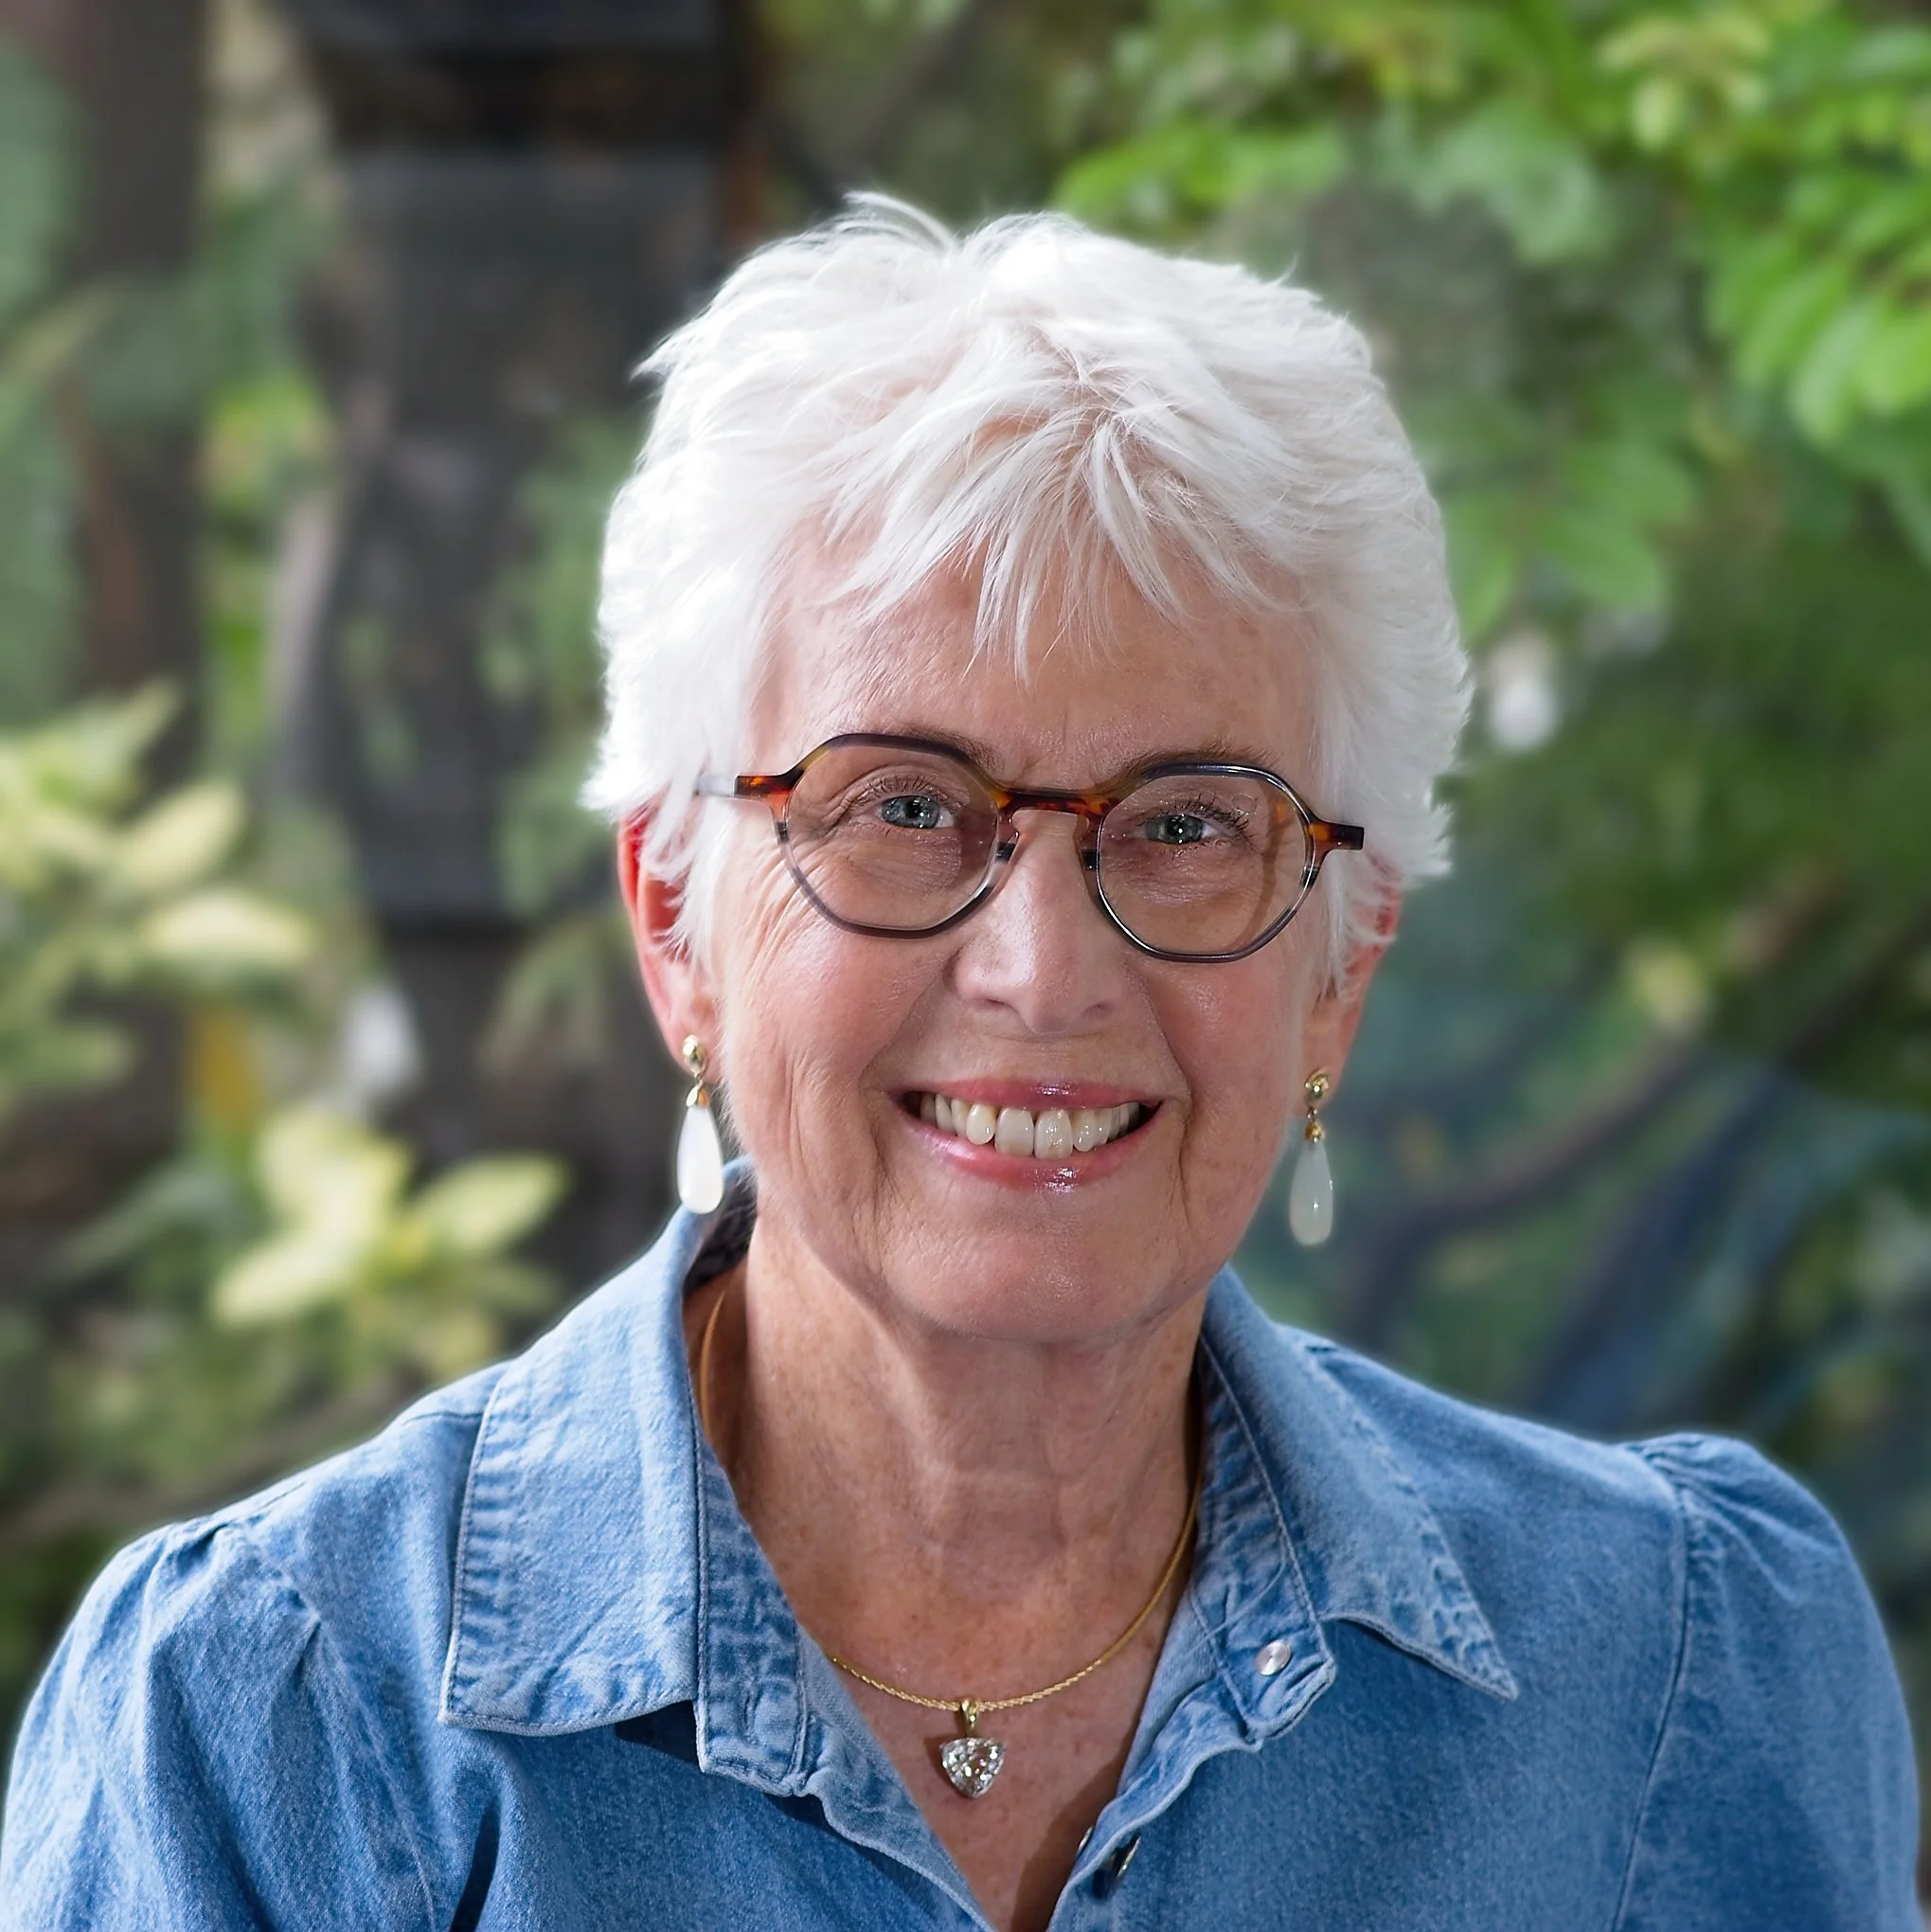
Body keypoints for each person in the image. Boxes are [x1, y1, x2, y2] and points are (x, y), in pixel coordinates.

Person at [1, 198, 1918, 1932]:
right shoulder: (261, 1726)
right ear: (674, 918)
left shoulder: (1681, 1673)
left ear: (1340, 967)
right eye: (902, 803)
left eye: (1184, 823)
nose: (1038, 967)